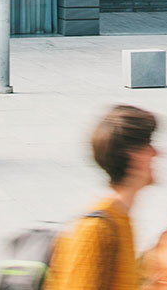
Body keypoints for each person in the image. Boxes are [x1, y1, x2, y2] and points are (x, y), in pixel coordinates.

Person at [45, 105, 158, 290]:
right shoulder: (95, 229)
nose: (156, 152)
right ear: (132, 155)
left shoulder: (121, 217)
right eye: (149, 144)